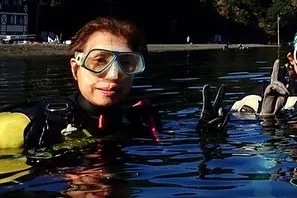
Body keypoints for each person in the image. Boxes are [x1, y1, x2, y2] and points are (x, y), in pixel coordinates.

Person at [0, 17, 229, 156]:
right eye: (99, 61)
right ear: (75, 68)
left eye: (127, 64)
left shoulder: (139, 120)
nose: (113, 74)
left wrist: (206, 138)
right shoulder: (26, 124)